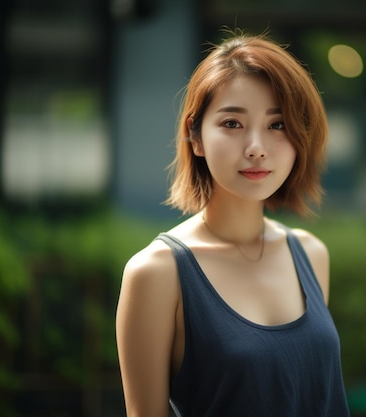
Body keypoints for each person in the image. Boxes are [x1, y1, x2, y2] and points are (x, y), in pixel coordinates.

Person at [115, 31, 351, 417]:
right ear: (195, 136)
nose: (256, 146)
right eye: (232, 123)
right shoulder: (157, 273)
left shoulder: (310, 254)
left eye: (277, 125)